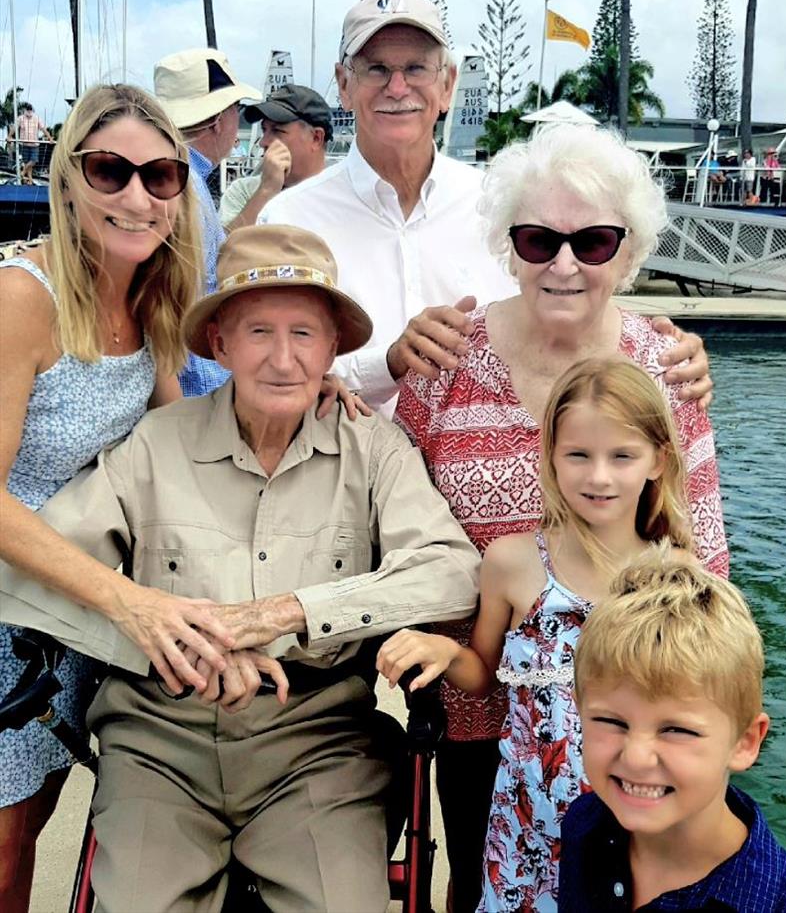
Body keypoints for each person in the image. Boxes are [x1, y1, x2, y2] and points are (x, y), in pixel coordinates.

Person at [0, 224, 480, 913]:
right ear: (220, 344)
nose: (282, 359)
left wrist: (286, 612)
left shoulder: (375, 450)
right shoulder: (156, 444)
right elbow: (31, 576)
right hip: (160, 744)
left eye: (304, 335)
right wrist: (172, 640)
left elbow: (451, 571)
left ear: (333, 350)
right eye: (258, 332)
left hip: (318, 745)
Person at [392, 123, 727, 913]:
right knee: (482, 883)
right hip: (481, 717)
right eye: (539, 239)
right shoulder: (448, 359)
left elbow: (703, 558)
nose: (566, 263)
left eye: (595, 240)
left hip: (632, 728)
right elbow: (385, 500)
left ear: (630, 250)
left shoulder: (666, 373)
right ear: (510, 247)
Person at [0, 83, 235, 913]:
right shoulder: (23, 298)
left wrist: (318, 400)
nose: (138, 196)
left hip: (71, 615)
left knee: (32, 828)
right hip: (14, 615)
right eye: (111, 171)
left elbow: (185, 443)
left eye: (161, 177)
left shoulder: (145, 298)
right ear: (69, 181)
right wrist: (131, 603)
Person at [258, 0, 711, 416]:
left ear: (447, 84)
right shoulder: (289, 221)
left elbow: (569, 318)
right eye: (375, 69)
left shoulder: (507, 207)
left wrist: (661, 354)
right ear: (343, 84)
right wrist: (389, 363)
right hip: (346, 481)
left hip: (488, 481)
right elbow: (263, 371)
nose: (397, 87)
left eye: (416, 68)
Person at [379, 357, 697, 912]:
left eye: (622, 456)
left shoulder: (675, 576)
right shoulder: (512, 562)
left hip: (632, 812)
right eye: (578, 454)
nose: (598, 475)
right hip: (528, 812)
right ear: (550, 456)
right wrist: (444, 651)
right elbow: (483, 676)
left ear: (657, 461)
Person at [560, 548, 786, 911]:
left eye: (677, 730)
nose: (637, 758)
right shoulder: (583, 824)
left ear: (745, 742)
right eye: (611, 721)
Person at [154, 47, 260, 397]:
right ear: (218, 121)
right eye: (237, 111)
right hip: (195, 379)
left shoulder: (172, 177)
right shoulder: (189, 185)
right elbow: (190, 297)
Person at [219, 83, 332, 229]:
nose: (263, 142)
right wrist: (267, 190)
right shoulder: (244, 191)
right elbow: (226, 250)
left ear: (316, 138)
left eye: (277, 131)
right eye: (264, 130)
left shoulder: (341, 195)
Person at [8, 101, 52, 184]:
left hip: (34, 144)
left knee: (34, 160)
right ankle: (30, 180)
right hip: (24, 144)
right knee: (27, 162)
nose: (29, 112)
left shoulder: (37, 118)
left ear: (32, 110)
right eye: (27, 110)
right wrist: (9, 136)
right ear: (25, 110)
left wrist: (49, 138)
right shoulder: (20, 118)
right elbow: (14, 127)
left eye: (30, 110)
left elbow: (43, 128)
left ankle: (22, 173)